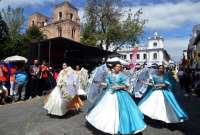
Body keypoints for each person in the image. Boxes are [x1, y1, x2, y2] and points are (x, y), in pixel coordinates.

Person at [86, 63, 146, 134]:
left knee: (122, 111)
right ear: (114, 67)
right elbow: (107, 84)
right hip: (109, 94)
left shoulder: (122, 76)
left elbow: (126, 85)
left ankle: (120, 127)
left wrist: (118, 87)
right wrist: (99, 83)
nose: (118, 68)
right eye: (117, 66)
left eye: (119, 67)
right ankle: (107, 126)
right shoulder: (109, 75)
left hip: (120, 94)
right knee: (106, 110)